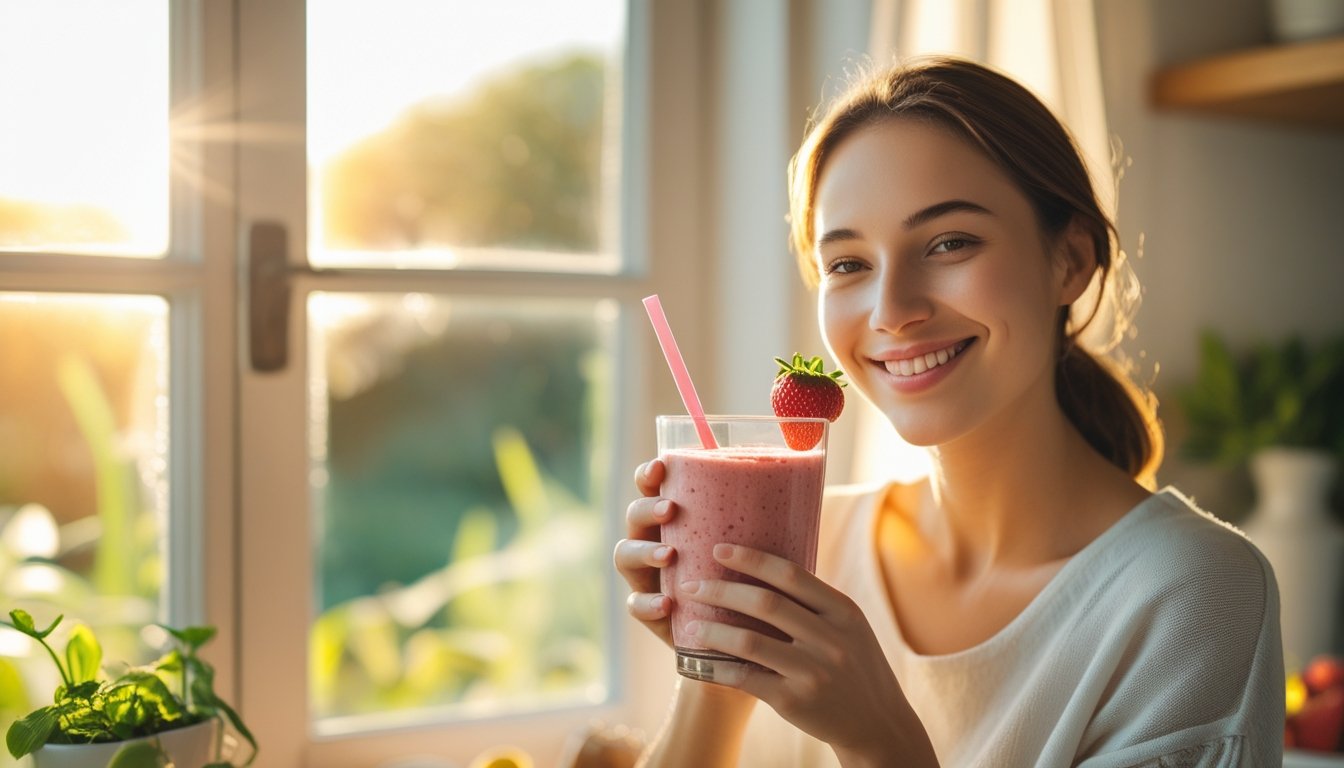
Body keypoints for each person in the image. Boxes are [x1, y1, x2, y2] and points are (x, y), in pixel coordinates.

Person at [614, 56, 1283, 767]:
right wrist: (717, 658)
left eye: (949, 243)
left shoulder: (1193, 595)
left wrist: (880, 743)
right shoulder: (811, 550)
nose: (892, 310)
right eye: (848, 264)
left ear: (1070, 260)